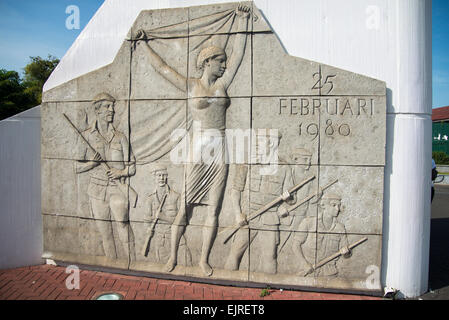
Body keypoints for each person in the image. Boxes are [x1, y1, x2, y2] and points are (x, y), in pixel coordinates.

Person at [134, 4, 251, 276]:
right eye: (219, 61)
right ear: (207, 61)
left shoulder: (223, 85)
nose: (223, 65)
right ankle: (173, 257)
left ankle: (203, 260)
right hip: (197, 150)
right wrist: (143, 45)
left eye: (224, 61)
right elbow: (162, 68)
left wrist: (243, 21)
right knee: (184, 207)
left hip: (219, 150)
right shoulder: (190, 85)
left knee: (213, 208)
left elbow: (238, 54)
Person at [224, 131, 296, 274]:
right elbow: (235, 191)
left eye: (260, 142)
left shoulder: (284, 167)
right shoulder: (246, 164)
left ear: (272, 144)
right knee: (235, 253)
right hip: (248, 217)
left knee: (270, 257)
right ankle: (226, 281)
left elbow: (292, 199)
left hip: (270, 219)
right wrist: (238, 214)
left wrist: (286, 202)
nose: (256, 146)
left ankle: (271, 287)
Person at [75, 93, 136, 260]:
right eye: (107, 107)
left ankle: (131, 261)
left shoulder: (120, 137)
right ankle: (113, 262)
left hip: (117, 188)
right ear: (97, 110)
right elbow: (75, 167)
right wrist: (91, 164)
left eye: (113, 107)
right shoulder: (86, 136)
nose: (112, 111)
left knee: (123, 224)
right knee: (105, 232)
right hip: (96, 191)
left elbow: (132, 167)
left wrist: (120, 172)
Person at [292, 193, 351, 277]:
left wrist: (346, 253)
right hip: (309, 271)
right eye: (333, 205)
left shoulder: (340, 228)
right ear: (323, 205)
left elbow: (346, 253)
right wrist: (304, 264)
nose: (337, 209)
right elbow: (295, 245)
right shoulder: (308, 223)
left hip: (330, 273)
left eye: (338, 206)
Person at [144, 164, 191, 265]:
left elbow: (183, 221)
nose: (161, 178)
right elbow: (146, 219)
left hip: (176, 240)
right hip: (159, 240)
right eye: (159, 175)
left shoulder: (176, 196)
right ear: (154, 177)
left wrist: (163, 217)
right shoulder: (150, 198)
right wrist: (148, 229)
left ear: (167, 177)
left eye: (164, 175)